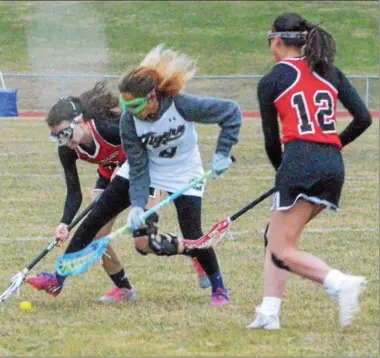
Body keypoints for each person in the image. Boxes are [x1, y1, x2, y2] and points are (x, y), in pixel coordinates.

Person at [26, 82, 211, 303]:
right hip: (109, 175)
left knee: (144, 242)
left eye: (65, 133)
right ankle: (123, 289)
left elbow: (147, 147)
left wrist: (125, 173)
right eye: (58, 137)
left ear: (80, 122)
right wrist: (64, 222)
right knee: (97, 234)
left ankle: (196, 252)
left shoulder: (107, 129)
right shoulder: (67, 150)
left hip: (144, 172)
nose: (64, 141)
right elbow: (74, 192)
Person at [247, 13, 372, 329]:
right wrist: (332, 145)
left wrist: (284, 173)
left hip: (299, 161)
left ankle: (339, 282)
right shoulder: (328, 70)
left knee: (280, 248)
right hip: (332, 165)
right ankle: (269, 314)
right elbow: (363, 118)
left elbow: (272, 142)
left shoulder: (272, 80)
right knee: (275, 236)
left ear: (276, 41)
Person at [117, 44, 242, 306]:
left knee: (194, 234)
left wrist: (222, 153)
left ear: (152, 97)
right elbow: (138, 169)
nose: (130, 111)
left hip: (186, 171)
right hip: (155, 170)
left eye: (136, 105)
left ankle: (218, 286)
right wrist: (138, 205)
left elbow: (231, 112)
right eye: (125, 105)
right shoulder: (129, 121)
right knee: (143, 244)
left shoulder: (181, 105)